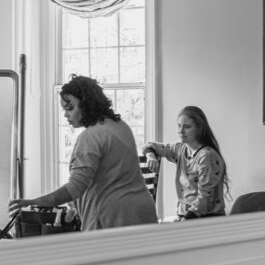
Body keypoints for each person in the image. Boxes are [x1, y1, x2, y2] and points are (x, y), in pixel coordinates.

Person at [9, 75, 157, 230]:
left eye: (70, 108)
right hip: (143, 212)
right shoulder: (120, 126)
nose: (66, 114)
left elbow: (76, 187)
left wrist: (35, 202)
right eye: (64, 109)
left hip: (114, 218)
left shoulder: (90, 137)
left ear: (87, 105)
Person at [142, 105, 229, 218]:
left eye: (187, 127)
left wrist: (183, 222)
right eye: (179, 126)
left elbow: (205, 200)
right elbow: (149, 145)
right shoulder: (180, 149)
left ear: (199, 129)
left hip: (206, 218)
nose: (180, 131)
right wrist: (151, 156)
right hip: (185, 215)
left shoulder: (207, 156)